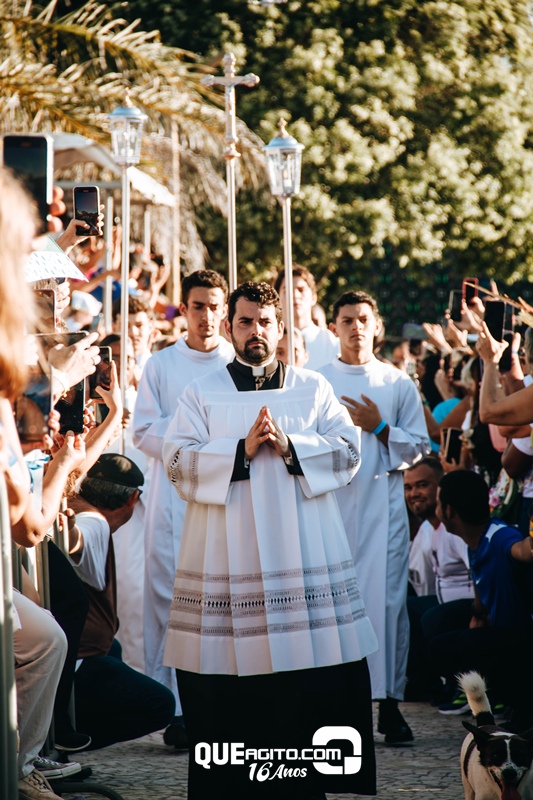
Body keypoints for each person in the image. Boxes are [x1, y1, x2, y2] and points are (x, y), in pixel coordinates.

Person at [162, 281, 377, 800]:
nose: (255, 331)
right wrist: (238, 450)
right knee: (232, 681)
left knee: (301, 681)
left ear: (280, 329)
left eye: (264, 322)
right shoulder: (202, 393)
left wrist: (289, 446)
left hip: (300, 563)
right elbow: (175, 462)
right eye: (244, 321)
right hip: (227, 566)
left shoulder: (311, 389)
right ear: (230, 327)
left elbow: (349, 452)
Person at [319, 290, 430, 744]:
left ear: (376, 324)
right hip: (333, 507)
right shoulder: (318, 380)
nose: (356, 327)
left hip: (383, 504)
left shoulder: (397, 382)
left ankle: (388, 702)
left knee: (386, 605)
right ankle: (334, 703)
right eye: (347, 320)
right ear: (335, 327)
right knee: (333, 604)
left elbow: (419, 447)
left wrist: (380, 427)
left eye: (364, 319)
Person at [133, 270, 233, 718]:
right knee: (167, 599)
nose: (206, 316)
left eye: (215, 307)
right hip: (171, 497)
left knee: (221, 599)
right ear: (184, 309)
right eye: (198, 306)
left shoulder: (236, 365)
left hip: (225, 496)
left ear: (225, 310)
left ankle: (218, 699)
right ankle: (171, 707)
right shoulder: (160, 365)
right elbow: (142, 430)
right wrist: (193, 444)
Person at [66, 454, 176, 749]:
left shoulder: (74, 506)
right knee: (161, 704)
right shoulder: (94, 521)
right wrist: (67, 530)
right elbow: (79, 540)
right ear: (133, 500)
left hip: (80, 652)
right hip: (75, 662)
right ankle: (66, 738)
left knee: (114, 647)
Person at [432, 469, 533, 731]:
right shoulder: (474, 541)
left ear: (450, 511)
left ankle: (514, 700)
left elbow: (522, 550)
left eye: (438, 502)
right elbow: (481, 591)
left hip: (521, 639)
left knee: (445, 648)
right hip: (503, 632)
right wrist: (479, 612)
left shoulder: (498, 535)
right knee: (435, 620)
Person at [404, 458, 474, 704]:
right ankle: (425, 683)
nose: (414, 494)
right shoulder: (426, 529)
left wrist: (481, 612)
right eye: (408, 487)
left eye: (422, 485)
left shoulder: (455, 527)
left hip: (470, 608)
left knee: (426, 615)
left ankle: (460, 687)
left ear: (440, 487)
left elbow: (480, 570)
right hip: (444, 606)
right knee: (400, 606)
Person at [274, 265, 339, 369]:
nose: (295, 295)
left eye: (301, 290)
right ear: (277, 300)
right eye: (287, 291)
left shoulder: (331, 344)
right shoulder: (270, 341)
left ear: (313, 297)